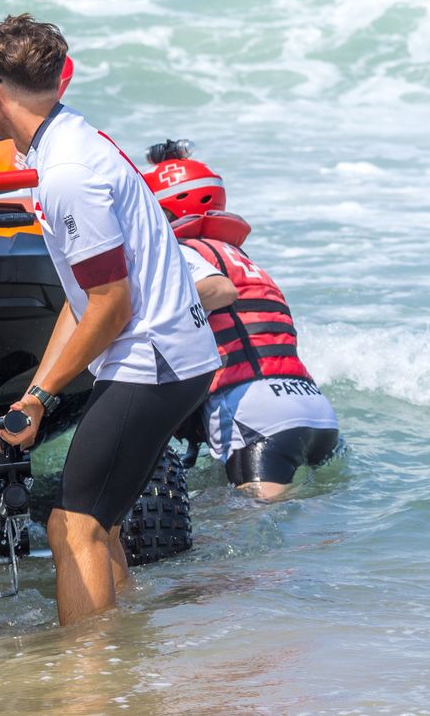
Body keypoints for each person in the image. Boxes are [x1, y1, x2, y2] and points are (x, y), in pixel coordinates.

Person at [0, 14, 220, 627]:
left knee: (70, 527)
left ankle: (89, 678)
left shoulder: (67, 176)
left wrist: (43, 391)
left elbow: (112, 306)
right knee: (99, 524)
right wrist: (34, 399)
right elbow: (85, 299)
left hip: (153, 360)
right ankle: (123, 652)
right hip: (166, 353)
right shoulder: (75, 138)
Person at [143, 145, 340, 500]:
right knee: (314, 529)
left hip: (255, 410)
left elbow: (218, 291)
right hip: (314, 408)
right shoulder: (242, 258)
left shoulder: (184, 252)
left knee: (254, 529)